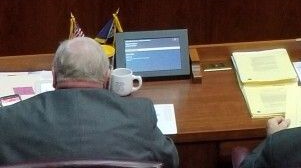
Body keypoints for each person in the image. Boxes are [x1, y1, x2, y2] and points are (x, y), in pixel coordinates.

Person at [0, 36, 178, 166]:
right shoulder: (140, 114)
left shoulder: (8, 119)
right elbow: (170, 160)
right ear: (107, 78)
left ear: (54, 76)